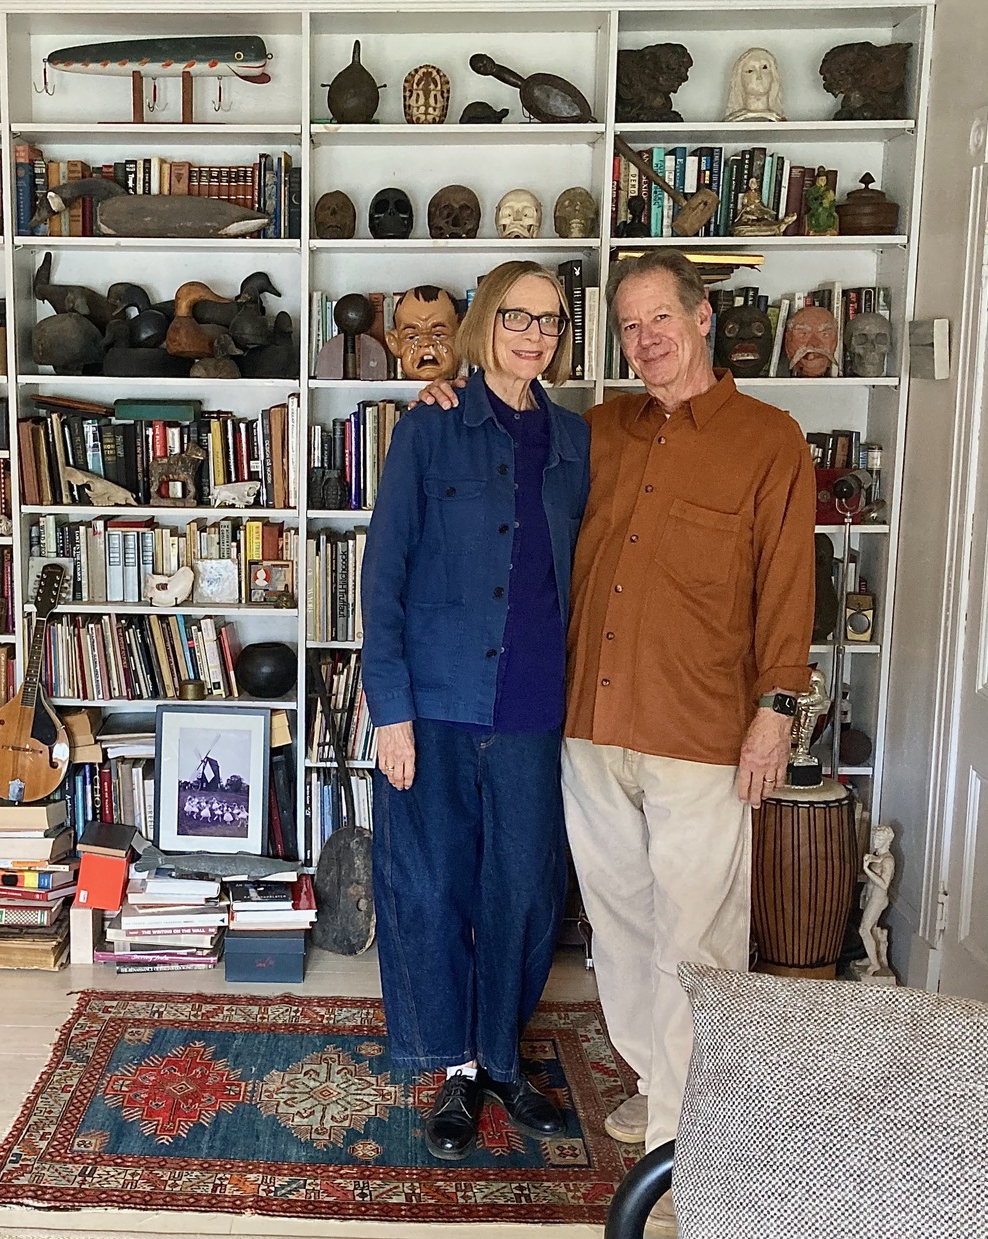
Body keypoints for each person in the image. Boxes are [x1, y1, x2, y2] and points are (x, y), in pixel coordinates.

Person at [416, 250, 813, 1233]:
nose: (645, 343)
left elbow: (787, 588)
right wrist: (450, 394)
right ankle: (656, 1082)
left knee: (700, 946)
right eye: (629, 329)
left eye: (659, 322)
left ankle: (683, 1144)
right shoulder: (595, 432)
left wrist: (776, 709)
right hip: (589, 728)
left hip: (701, 733)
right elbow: (495, 454)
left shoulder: (770, 440)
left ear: (704, 317)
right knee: (621, 931)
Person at [361, 260, 591, 1161]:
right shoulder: (429, 429)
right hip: (439, 701)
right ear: (485, 323)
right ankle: (455, 1067)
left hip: (535, 703)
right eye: (517, 318)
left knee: (524, 890)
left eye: (551, 321)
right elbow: (384, 575)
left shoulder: (578, 440)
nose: (533, 335)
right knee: (431, 884)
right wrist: (391, 709)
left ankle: (502, 1056)